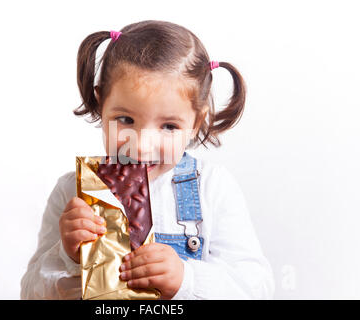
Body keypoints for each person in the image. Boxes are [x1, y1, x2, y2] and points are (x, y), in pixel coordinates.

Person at [20, 20, 274, 300]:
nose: (142, 146)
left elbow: (256, 288)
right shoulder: (71, 192)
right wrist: (67, 255)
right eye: (125, 119)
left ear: (196, 121)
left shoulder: (212, 188)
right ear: (100, 104)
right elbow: (30, 293)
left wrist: (186, 280)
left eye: (169, 126)